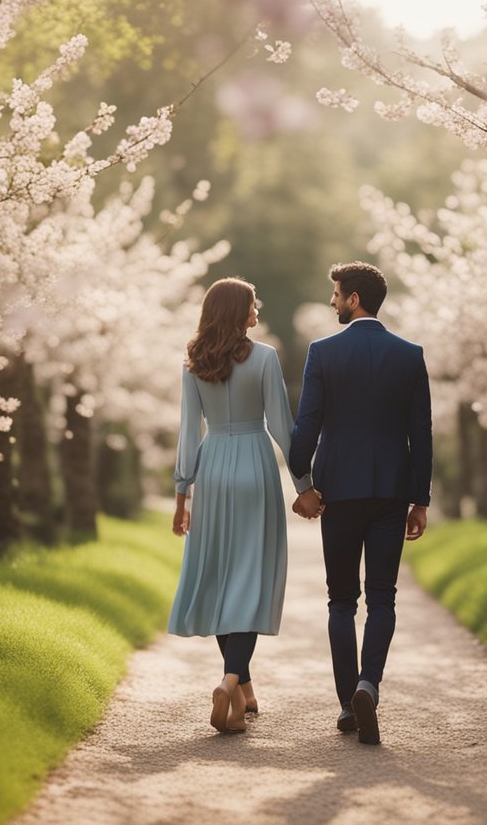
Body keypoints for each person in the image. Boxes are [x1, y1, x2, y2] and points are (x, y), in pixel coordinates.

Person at [289, 261, 432, 745]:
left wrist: (302, 482)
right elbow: (421, 434)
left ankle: (348, 702)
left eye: (336, 294)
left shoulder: (323, 352)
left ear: (354, 299)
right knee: (383, 597)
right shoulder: (409, 355)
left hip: (340, 490)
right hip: (392, 491)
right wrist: (421, 499)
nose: (332, 301)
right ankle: (369, 683)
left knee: (341, 600)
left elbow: (306, 424)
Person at [170, 277, 313, 733]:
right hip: (254, 465)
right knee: (250, 579)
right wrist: (304, 484)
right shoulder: (266, 357)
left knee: (217, 575)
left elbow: (188, 433)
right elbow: (282, 428)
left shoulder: (194, 362)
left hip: (212, 470)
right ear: (237, 311)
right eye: (253, 304)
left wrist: (181, 495)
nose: (258, 310)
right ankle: (232, 681)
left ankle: (243, 690)